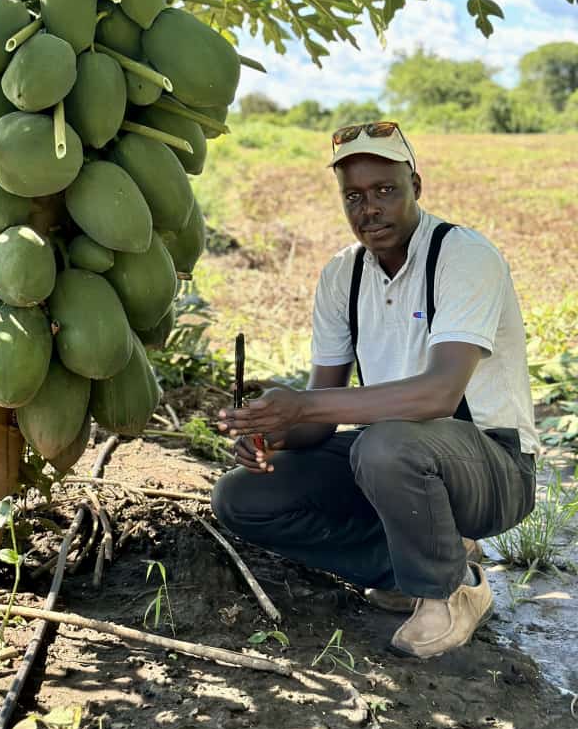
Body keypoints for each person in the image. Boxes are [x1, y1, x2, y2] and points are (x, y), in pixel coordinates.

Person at [212, 121, 538, 659]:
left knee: (384, 444)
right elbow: (318, 419)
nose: (370, 208)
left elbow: (438, 394)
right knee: (242, 497)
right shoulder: (343, 275)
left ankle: (449, 593)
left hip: (494, 465)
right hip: (394, 460)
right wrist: (275, 432)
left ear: (416, 185)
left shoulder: (462, 257)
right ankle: (417, 564)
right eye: (354, 196)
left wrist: (304, 403)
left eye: (385, 190)